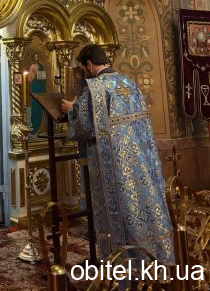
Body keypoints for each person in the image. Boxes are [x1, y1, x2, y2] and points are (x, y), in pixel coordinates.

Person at [60, 44, 174, 263]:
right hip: (141, 159)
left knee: (120, 209)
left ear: (89, 64)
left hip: (113, 162)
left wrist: (70, 110)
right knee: (143, 204)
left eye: (83, 68)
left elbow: (86, 127)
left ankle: (123, 262)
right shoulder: (129, 83)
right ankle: (155, 256)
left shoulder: (96, 88)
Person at [27, 53, 47, 136]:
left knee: (41, 107)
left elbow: (43, 77)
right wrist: (34, 73)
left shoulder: (41, 66)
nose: (36, 58)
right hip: (35, 87)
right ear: (33, 58)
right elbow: (29, 79)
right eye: (35, 57)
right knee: (35, 107)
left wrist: (42, 76)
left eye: (37, 56)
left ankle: (41, 127)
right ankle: (35, 126)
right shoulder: (32, 66)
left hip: (41, 87)